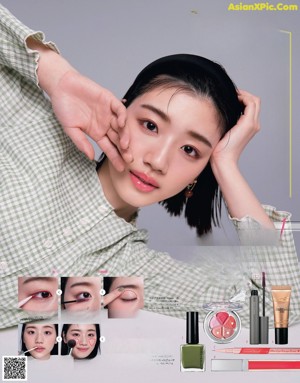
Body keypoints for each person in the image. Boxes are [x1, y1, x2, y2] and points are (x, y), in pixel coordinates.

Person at [0, 4, 299, 329]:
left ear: (198, 175)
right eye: (150, 126)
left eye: (190, 150)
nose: (157, 161)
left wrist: (226, 166)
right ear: (120, 110)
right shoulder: (30, 124)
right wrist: (57, 75)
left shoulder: (127, 270)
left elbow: (277, 307)